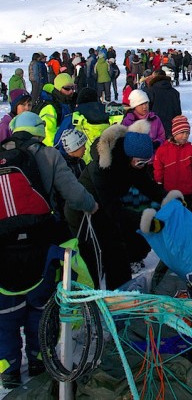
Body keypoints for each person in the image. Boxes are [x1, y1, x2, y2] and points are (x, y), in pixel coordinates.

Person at [0, 112, 97, 389]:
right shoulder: (49, 155)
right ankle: (39, 356)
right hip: (42, 241)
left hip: (3, 247)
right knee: (40, 306)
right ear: (39, 131)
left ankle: (8, 367)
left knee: (5, 313)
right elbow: (73, 193)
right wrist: (91, 205)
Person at [67, 122, 166, 289]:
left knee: (118, 255)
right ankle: (90, 302)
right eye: (141, 162)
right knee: (94, 262)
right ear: (129, 156)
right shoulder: (103, 167)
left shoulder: (132, 162)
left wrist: (167, 199)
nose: (142, 166)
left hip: (105, 210)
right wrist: (144, 221)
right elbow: (112, 207)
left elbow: (146, 184)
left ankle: (120, 296)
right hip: (84, 215)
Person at [153, 115, 192, 211]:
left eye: (187, 133)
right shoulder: (163, 150)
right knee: (171, 217)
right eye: (182, 133)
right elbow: (158, 168)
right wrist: (158, 183)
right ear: (174, 133)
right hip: (169, 192)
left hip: (187, 192)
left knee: (186, 216)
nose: (185, 136)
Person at [36, 72, 77, 147]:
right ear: (58, 88)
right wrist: (57, 152)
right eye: (67, 88)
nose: (71, 91)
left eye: (73, 88)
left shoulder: (70, 102)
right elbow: (48, 136)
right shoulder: (50, 108)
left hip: (70, 146)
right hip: (57, 150)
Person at [146, 69, 182, 138]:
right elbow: (178, 112)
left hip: (155, 127)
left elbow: (147, 110)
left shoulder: (150, 91)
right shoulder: (175, 92)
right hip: (171, 128)